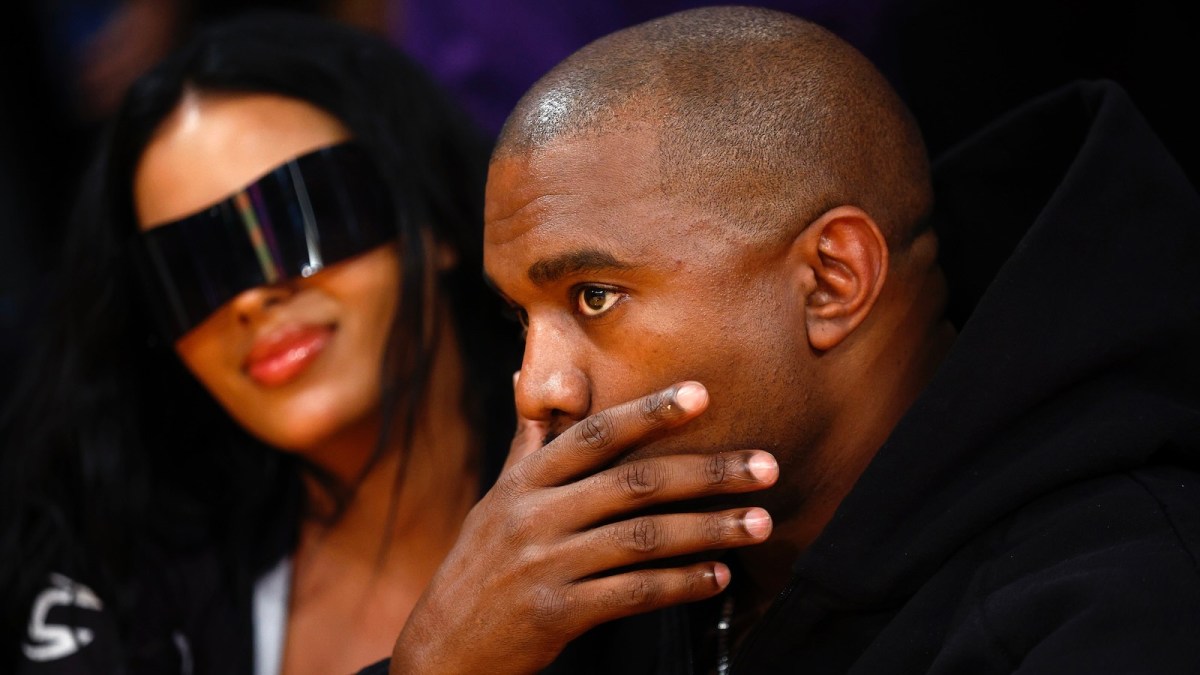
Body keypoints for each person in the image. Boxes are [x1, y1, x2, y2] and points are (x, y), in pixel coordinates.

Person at [362, 5, 1200, 673]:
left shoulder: (1125, 603)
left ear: (832, 279)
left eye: (594, 295)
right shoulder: (572, 585)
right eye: (519, 319)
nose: (538, 385)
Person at [0, 10, 519, 675]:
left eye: (300, 217)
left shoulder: (634, 501)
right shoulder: (119, 587)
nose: (249, 300)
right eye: (190, 271)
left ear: (433, 220)